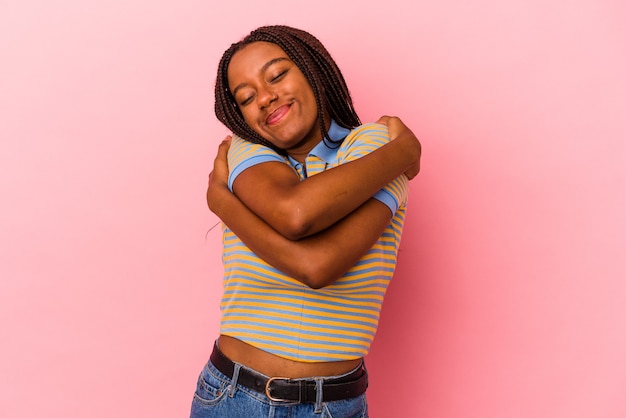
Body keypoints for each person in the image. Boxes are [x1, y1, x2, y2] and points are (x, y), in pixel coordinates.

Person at [191, 25, 421, 417]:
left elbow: (317, 265)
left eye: (277, 75)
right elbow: (293, 212)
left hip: (335, 405)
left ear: (312, 70)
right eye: (246, 97)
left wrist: (224, 203)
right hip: (233, 398)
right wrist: (407, 153)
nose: (264, 98)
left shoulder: (373, 145)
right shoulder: (245, 151)